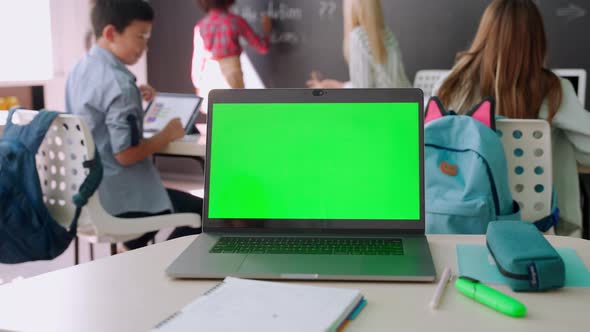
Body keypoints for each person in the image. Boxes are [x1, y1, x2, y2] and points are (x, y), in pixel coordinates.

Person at [434, 0, 590, 236]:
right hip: (540, 226)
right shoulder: (554, 90)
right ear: (537, 41)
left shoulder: (450, 86)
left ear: (485, 33)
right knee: (563, 145)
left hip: (466, 223)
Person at [66, 0, 202, 250]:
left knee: (167, 201)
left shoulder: (80, 70)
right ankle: (158, 264)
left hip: (86, 196)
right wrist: (167, 134)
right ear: (110, 33)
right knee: (203, 212)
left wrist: (133, 96)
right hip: (120, 201)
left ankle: (132, 253)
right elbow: (126, 155)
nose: (145, 46)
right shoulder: (119, 83)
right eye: (140, 36)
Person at [306, 0, 410, 89]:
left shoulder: (358, 37)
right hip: (409, 103)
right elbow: (383, 83)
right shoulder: (387, 34)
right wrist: (340, 85)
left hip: (387, 109)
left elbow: (363, 92)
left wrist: (339, 87)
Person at [191, 0, 271, 112]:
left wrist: (198, 86)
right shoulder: (235, 21)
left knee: (214, 118)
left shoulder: (201, 25)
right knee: (234, 113)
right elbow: (262, 47)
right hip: (232, 75)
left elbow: (198, 62)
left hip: (208, 77)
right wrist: (267, 31)